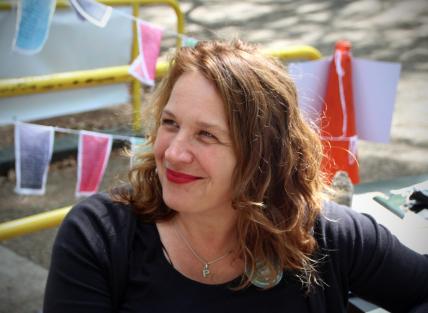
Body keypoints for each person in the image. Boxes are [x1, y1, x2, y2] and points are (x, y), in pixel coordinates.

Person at [43, 40, 428, 313]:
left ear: (263, 155)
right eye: (170, 123)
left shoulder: (326, 234)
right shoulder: (99, 237)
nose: (174, 152)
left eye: (206, 135)